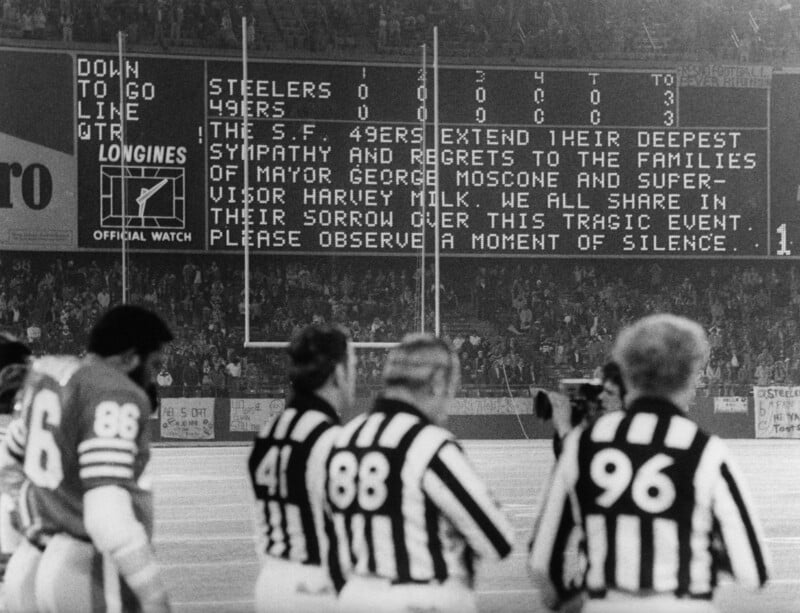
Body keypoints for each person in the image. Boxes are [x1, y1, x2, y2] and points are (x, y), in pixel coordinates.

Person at [528, 314, 770, 613]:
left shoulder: (583, 443)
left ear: (626, 372)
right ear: (690, 376)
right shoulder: (705, 449)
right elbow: (754, 571)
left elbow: (541, 561)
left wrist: (568, 602)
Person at [0, 305, 174, 613]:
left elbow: (8, 463)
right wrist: (153, 593)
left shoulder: (49, 378)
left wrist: (28, 524)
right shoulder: (112, 389)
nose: (152, 376)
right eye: (154, 364)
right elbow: (106, 509)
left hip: (38, 558)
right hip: (89, 566)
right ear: (130, 357)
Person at [324, 333, 514, 613]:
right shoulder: (427, 443)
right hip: (420, 598)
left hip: (353, 596)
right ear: (437, 382)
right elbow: (497, 539)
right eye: (452, 387)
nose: (449, 400)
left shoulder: (343, 438)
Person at [248, 324, 356, 612]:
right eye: (352, 366)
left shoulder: (269, 432)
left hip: (270, 582)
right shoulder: (331, 439)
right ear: (338, 373)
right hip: (316, 588)